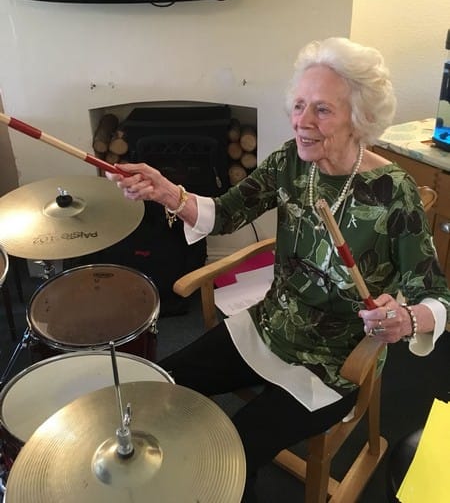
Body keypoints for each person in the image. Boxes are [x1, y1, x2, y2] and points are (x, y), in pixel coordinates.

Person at [106, 37, 450, 502]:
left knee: (233, 454)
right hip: (269, 326)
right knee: (157, 388)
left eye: (322, 110)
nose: (302, 121)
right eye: (299, 105)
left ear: (360, 118)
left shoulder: (395, 193)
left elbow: (436, 295)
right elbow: (227, 212)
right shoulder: (291, 160)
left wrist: (406, 318)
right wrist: (168, 192)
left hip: (332, 364)